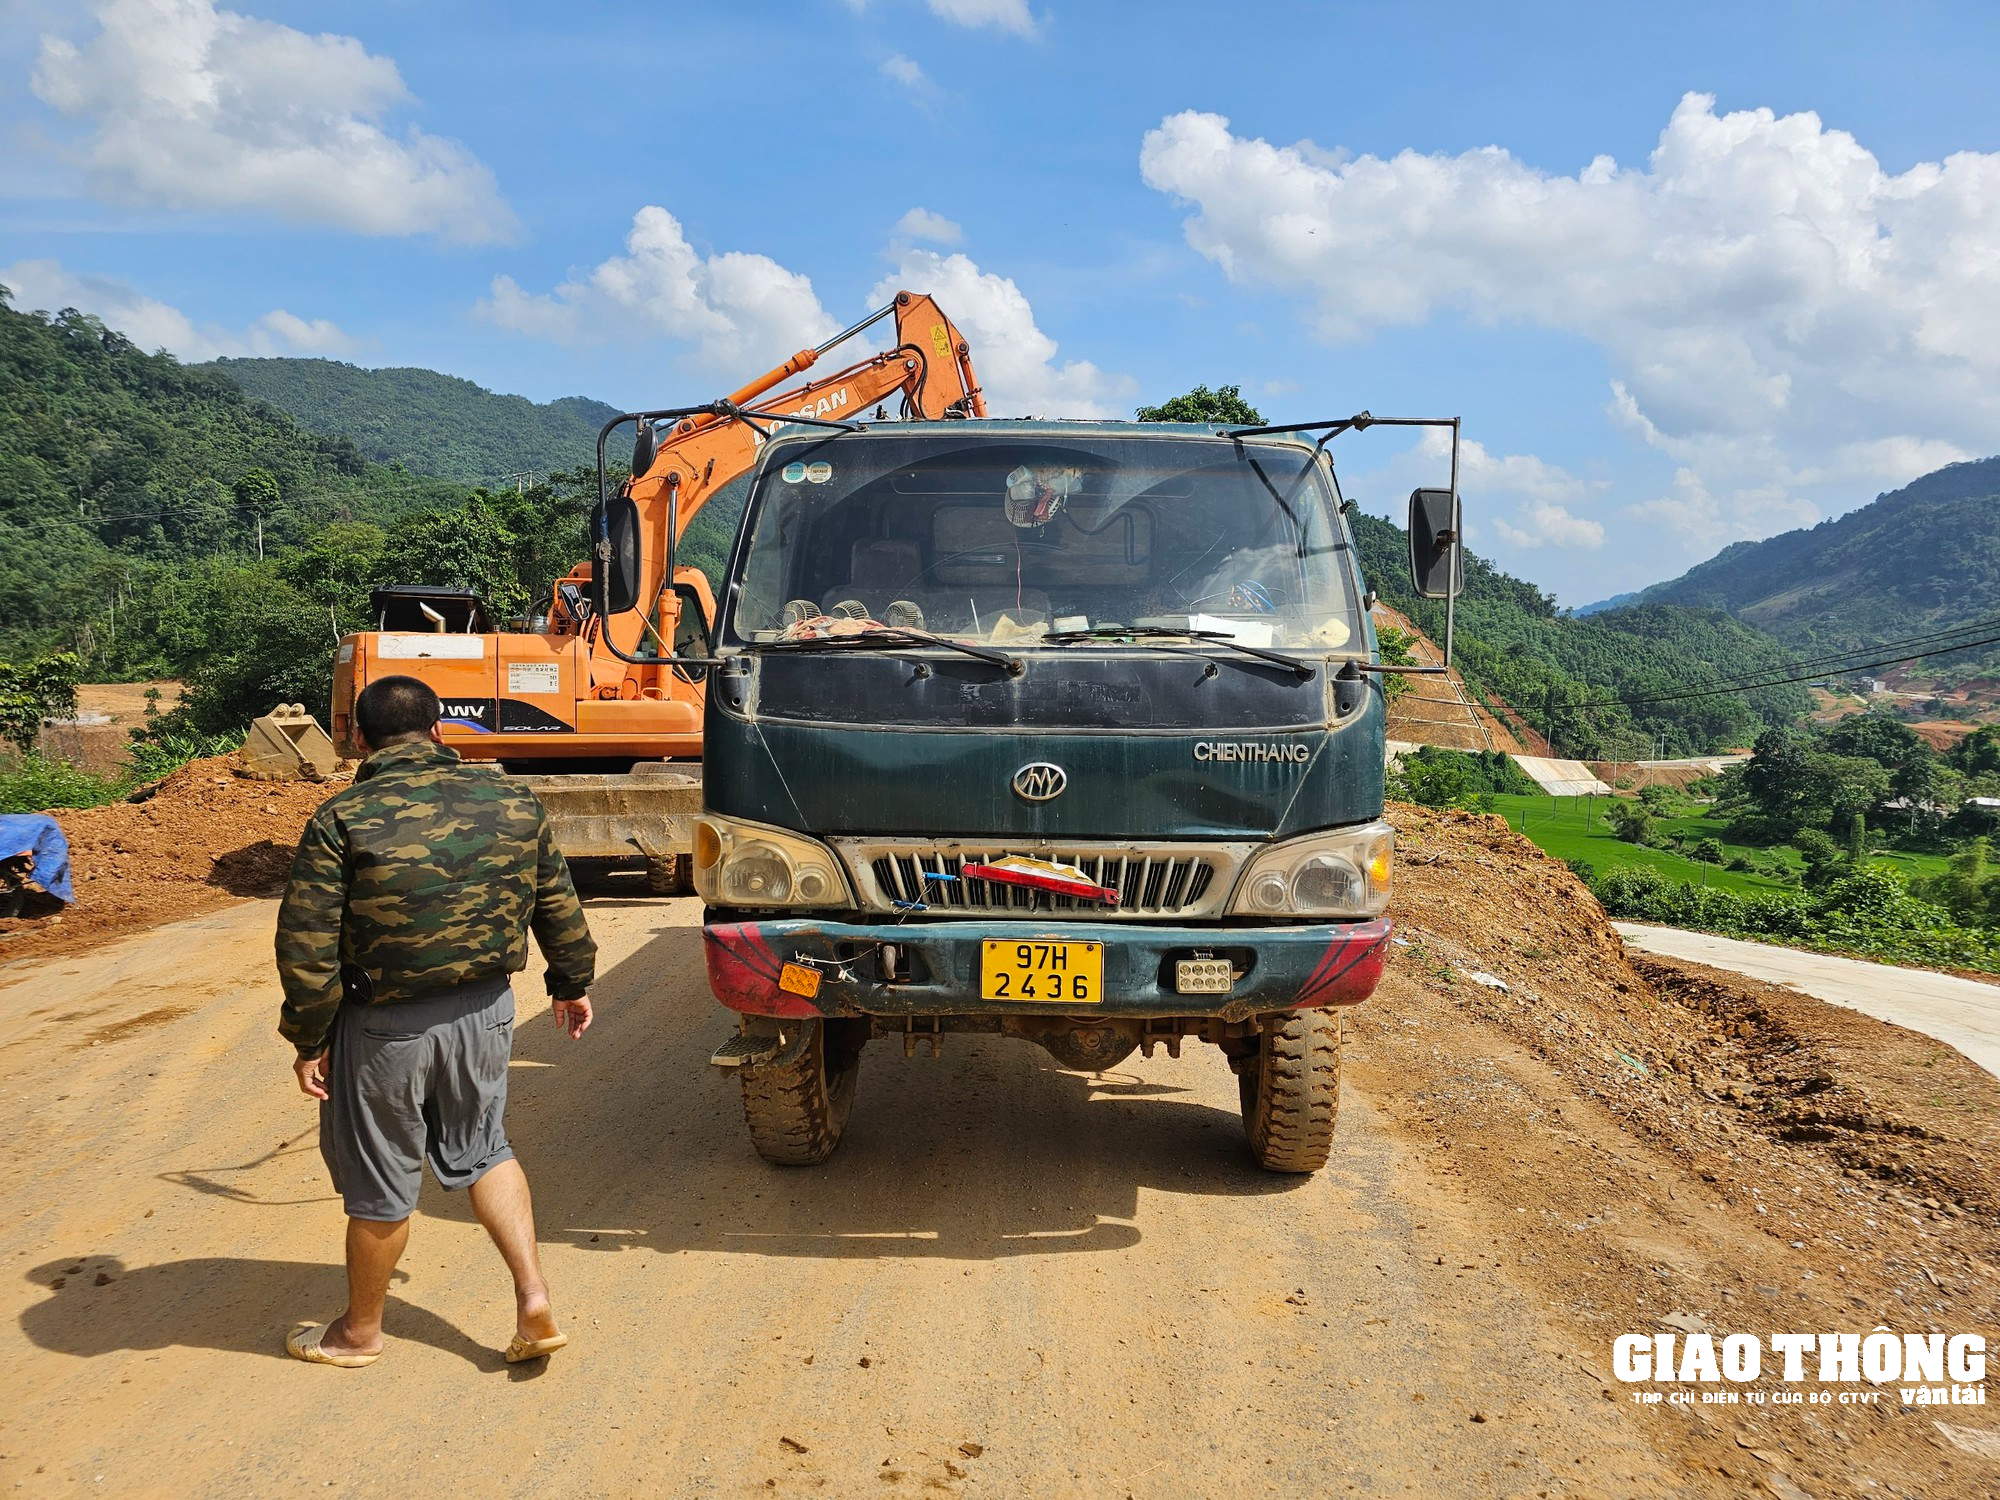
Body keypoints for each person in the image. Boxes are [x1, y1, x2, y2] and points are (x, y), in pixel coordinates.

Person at [274, 674, 597, 1368]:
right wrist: (570, 983)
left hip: (384, 1026)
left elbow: (307, 942)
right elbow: (557, 900)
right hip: (486, 1012)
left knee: (382, 1180)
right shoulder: (512, 800)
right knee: (485, 1150)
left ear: (360, 739)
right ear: (440, 728)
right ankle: (533, 1295)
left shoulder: (342, 817)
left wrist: (309, 1038)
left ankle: (359, 1334)